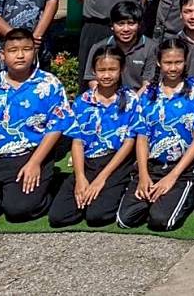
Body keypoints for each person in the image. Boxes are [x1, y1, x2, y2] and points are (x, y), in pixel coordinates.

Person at [0, 28, 71, 226]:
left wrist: (35, 162)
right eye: (13, 50)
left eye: (26, 49)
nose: (20, 55)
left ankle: (48, 184)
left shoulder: (49, 84)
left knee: (20, 210)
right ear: (2, 55)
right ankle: (0, 194)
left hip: (30, 154)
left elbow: (56, 127)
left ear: (34, 52)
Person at [116, 38, 194, 232]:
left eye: (178, 62)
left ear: (185, 62)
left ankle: (182, 194)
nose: (173, 68)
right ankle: (153, 195)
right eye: (168, 62)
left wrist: (172, 177)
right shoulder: (147, 95)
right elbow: (142, 137)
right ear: (159, 62)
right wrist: (143, 175)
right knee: (125, 220)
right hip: (152, 166)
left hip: (182, 168)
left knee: (161, 221)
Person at [49, 45, 139, 228]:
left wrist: (101, 179)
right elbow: (77, 142)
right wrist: (80, 177)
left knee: (97, 216)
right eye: (102, 70)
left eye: (112, 69)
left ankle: (123, 188)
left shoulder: (131, 100)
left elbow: (129, 142)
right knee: (59, 217)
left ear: (121, 69)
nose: (107, 75)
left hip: (116, 162)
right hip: (89, 162)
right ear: (93, 71)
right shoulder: (82, 102)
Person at [81, 0, 157, 90]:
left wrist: (131, 98)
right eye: (120, 24)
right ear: (112, 26)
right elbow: (92, 80)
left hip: (139, 96)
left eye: (131, 24)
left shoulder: (151, 47)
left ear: (139, 25)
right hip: (107, 95)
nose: (126, 29)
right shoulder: (99, 47)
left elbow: (147, 84)